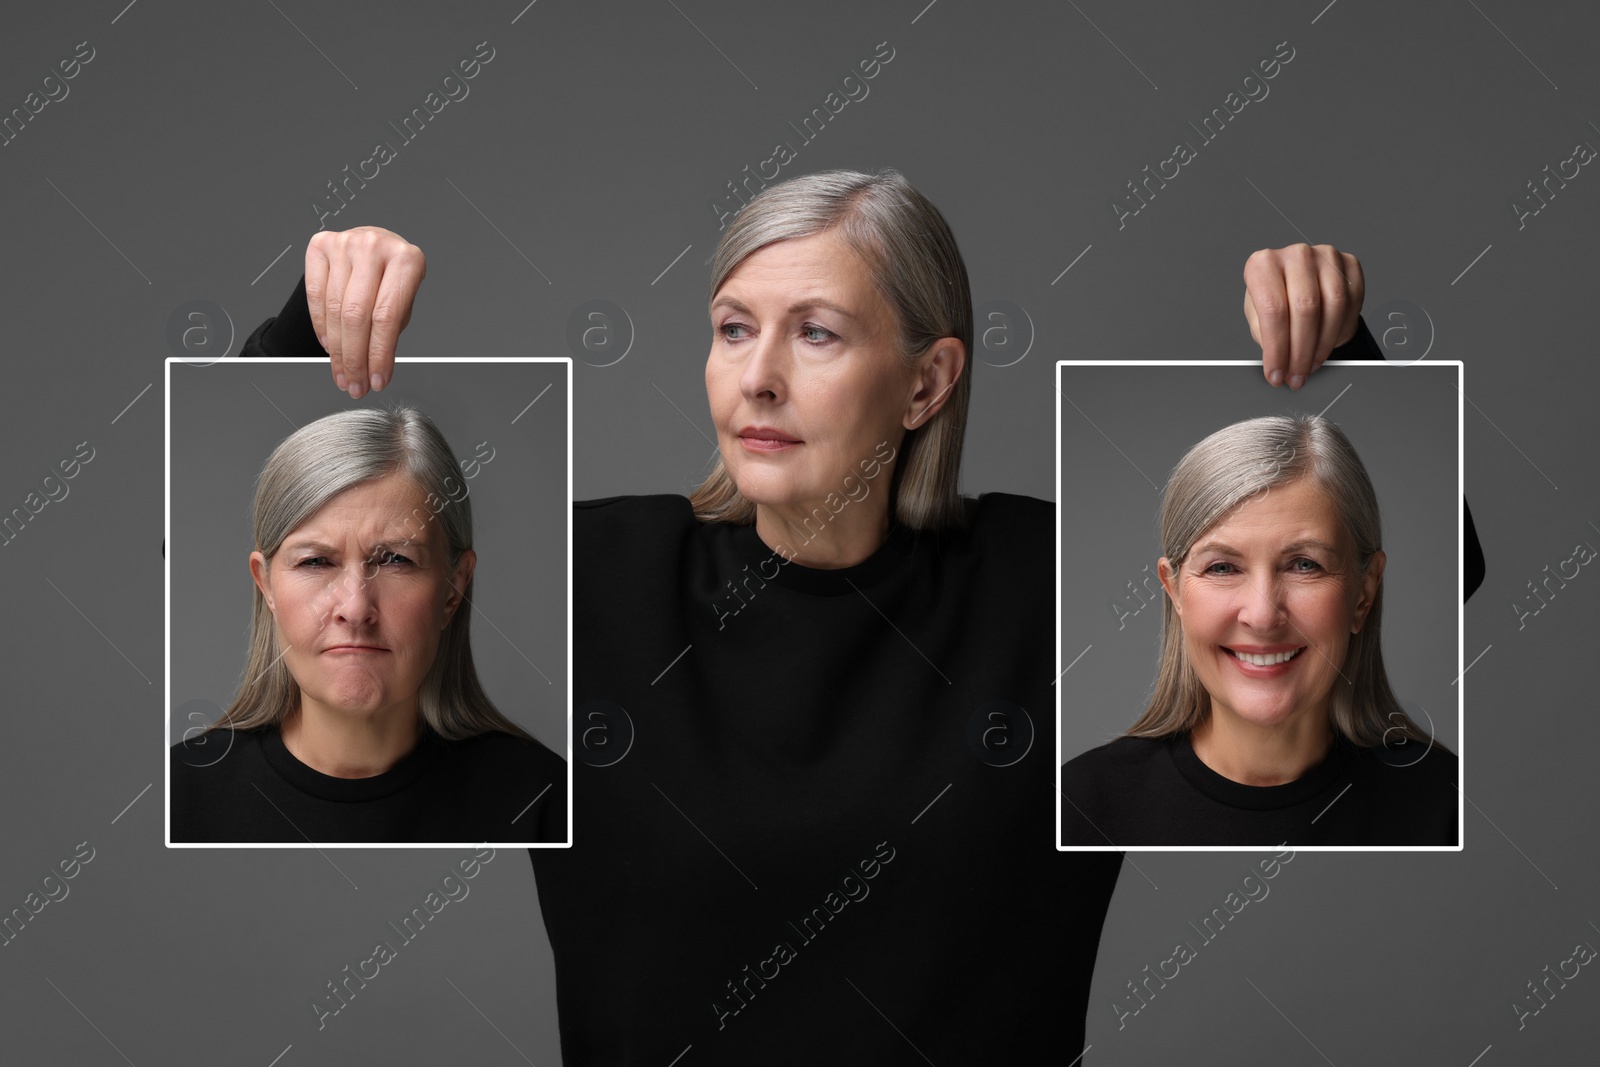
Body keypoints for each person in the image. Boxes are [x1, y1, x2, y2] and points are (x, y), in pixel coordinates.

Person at [242, 168, 1386, 1059]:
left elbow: (1429, 573)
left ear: (929, 381)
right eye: (734, 327)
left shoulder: (1056, 583)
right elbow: (212, 570)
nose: (758, 376)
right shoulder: (589, 577)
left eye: (817, 332)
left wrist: (1338, 348)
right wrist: (311, 317)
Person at [169, 406, 567, 844]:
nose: (356, 608)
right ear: (266, 585)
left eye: (396, 559)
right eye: (316, 561)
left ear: (453, 588)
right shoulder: (177, 796)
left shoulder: (544, 799)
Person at [1060, 414, 1458, 847]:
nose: (1263, 616)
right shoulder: (1079, 805)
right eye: (1223, 567)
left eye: (1304, 564)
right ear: (1174, 592)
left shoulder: (1447, 802)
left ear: (1363, 593)